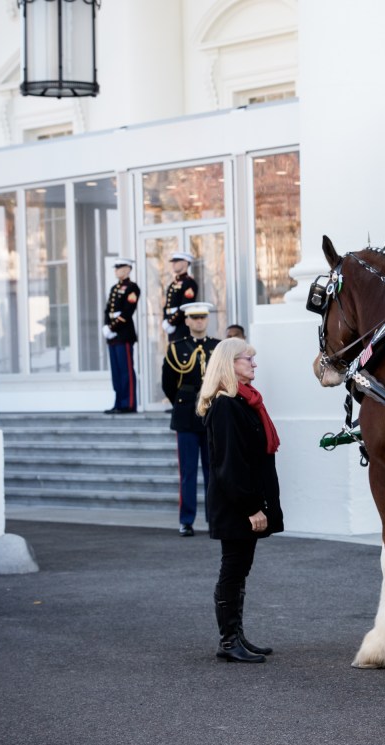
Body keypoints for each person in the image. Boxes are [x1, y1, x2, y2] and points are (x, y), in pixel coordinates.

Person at [197, 337, 283, 664]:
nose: (254, 363)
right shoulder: (226, 405)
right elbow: (229, 465)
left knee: (240, 568)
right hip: (236, 508)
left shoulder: (243, 402)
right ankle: (228, 640)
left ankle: (237, 636)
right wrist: (252, 508)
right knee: (233, 570)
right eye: (247, 358)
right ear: (230, 364)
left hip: (242, 505)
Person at [162, 302, 220, 536]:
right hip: (186, 416)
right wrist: (184, 401)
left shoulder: (217, 347)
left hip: (211, 415)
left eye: (202, 318)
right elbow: (168, 384)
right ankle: (186, 520)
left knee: (213, 470)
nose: (199, 322)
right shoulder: (177, 348)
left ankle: (214, 518)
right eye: (194, 318)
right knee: (187, 471)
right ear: (186, 321)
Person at [102, 258, 140, 414]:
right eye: (116, 268)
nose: (116, 270)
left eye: (119, 267)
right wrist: (106, 326)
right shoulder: (114, 288)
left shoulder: (132, 288)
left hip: (123, 334)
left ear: (127, 269)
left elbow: (127, 311)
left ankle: (128, 403)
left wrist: (112, 327)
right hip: (113, 336)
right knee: (116, 372)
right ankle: (118, 402)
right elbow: (108, 310)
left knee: (126, 371)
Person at [162, 251, 199, 342]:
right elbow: (168, 304)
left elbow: (185, 306)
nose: (173, 264)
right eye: (173, 262)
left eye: (177, 261)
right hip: (171, 323)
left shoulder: (189, 283)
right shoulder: (173, 283)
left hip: (181, 324)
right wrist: (166, 319)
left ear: (185, 263)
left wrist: (171, 321)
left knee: (180, 351)